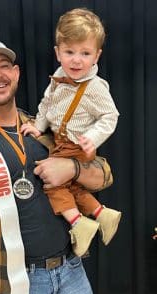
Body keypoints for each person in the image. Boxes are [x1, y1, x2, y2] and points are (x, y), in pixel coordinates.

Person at [0, 37, 113, 294]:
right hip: (17, 284)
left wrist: (71, 169)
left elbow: (104, 175)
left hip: (72, 272)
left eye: (4, 65)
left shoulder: (44, 129)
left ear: (16, 73)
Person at [21, 8, 121, 257]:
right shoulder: (58, 76)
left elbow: (110, 116)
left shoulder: (95, 87)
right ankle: (103, 214)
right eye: (69, 52)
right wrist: (38, 127)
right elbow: (47, 104)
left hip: (76, 145)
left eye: (85, 53)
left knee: (52, 184)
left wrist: (93, 138)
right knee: (73, 188)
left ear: (97, 55)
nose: (76, 60)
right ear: (57, 53)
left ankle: (79, 223)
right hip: (61, 139)